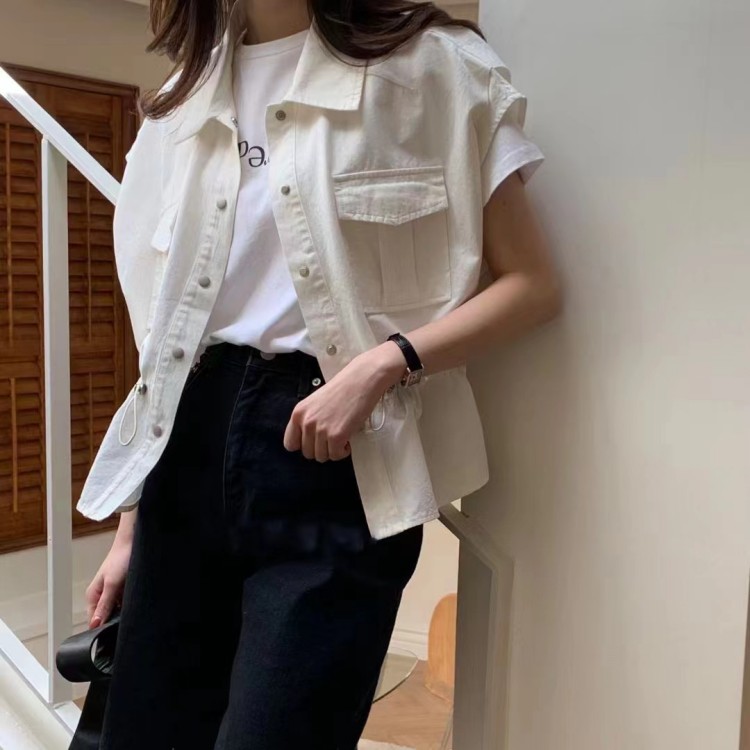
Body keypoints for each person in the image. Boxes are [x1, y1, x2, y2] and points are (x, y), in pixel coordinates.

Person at [79, 0, 561, 747]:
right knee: (146, 733)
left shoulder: (435, 69)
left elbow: (533, 284)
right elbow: (163, 338)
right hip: (186, 450)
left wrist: (386, 363)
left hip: (334, 456)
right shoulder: (182, 101)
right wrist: (130, 529)